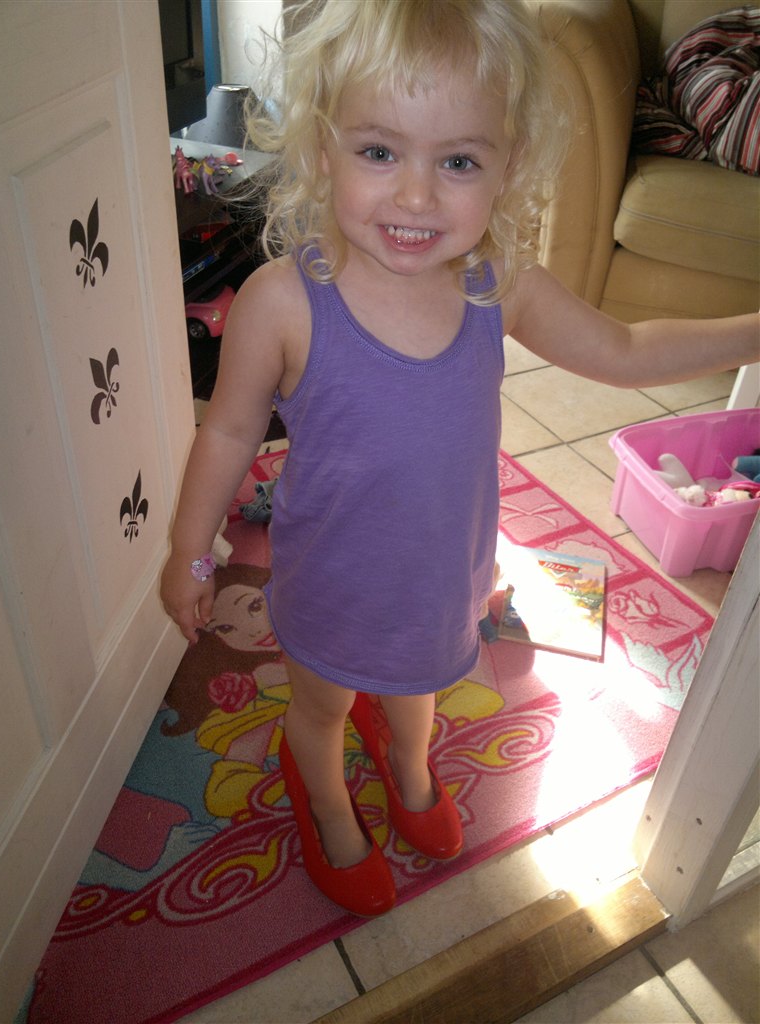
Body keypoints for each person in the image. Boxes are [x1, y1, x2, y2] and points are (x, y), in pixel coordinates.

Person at [161, 0, 759, 917]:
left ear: (506, 167)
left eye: (458, 162)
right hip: (330, 583)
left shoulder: (496, 286)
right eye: (379, 151)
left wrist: (752, 331)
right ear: (322, 147)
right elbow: (229, 435)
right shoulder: (284, 302)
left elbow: (626, 349)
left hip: (444, 578)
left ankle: (407, 764)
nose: (416, 196)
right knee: (321, 707)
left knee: (420, 691)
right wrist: (191, 553)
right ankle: (325, 795)